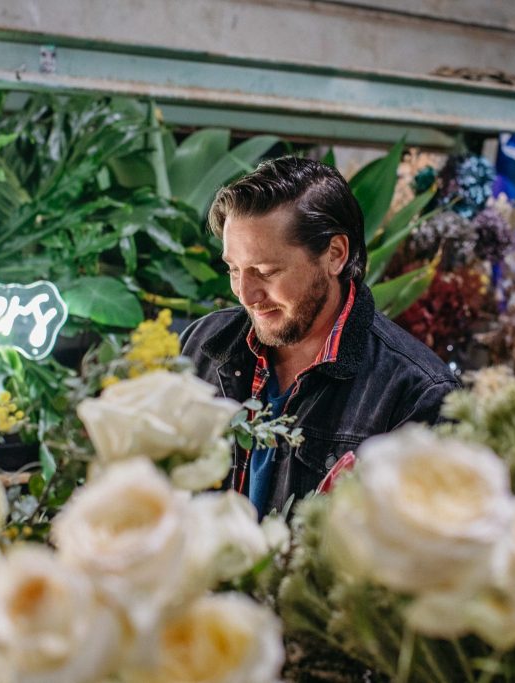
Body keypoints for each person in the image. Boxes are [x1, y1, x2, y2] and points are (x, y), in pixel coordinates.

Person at [181, 156, 459, 517]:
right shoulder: (200, 344)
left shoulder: (418, 394)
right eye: (234, 269)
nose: (246, 295)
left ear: (335, 255)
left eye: (266, 271)